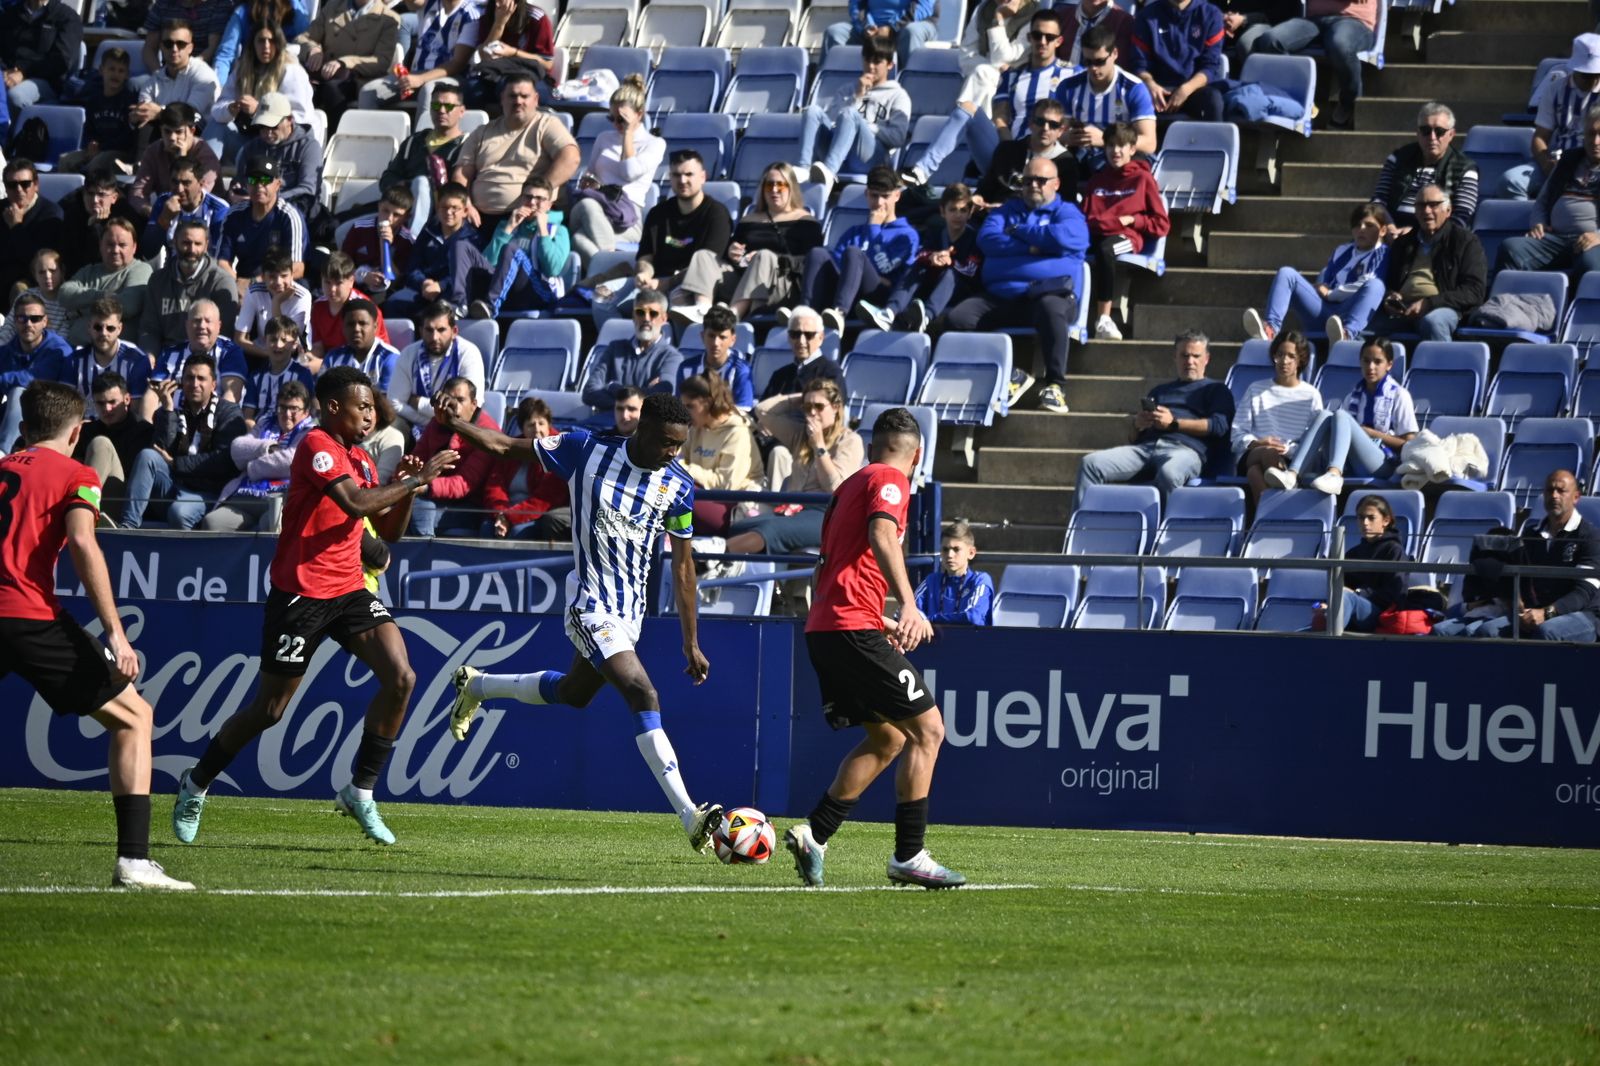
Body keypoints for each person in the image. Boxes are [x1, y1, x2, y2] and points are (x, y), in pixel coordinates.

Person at [170, 366, 460, 846]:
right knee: (269, 710)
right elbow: (354, 505)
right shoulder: (316, 446)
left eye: (371, 407)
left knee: (402, 677)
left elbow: (387, 532)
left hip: (349, 590)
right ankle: (197, 781)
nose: (369, 415)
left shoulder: (361, 459)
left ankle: (360, 790)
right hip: (301, 594)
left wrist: (409, 487)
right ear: (332, 408)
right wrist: (415, 480)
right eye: (361, 406)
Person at [443, 392, 726, 854]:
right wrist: (458, 423)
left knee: (573, 694)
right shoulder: (585, 449)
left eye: (681, 444)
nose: (675, 453)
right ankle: (690, 814)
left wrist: (690, 641)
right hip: (589, 601)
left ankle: (476, 686)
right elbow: (501, 446)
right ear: (645, 430)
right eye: (669, 443)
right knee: (643, 692)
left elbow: (683, 567)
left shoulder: (677, 485)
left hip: (630, 615)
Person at [0, 380, 192, 889]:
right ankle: (133, 861)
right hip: (27, 614)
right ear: (78, 430)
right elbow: (84, 543)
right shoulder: (77, 473)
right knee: (134, 717)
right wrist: (116, 633)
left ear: (23, 429)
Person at [784, 406, 965, 889]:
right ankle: (910, 854)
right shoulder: (890, 479)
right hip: (849, 627)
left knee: (889, 738)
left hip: (827, 627)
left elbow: (830, 566)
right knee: (929, 730)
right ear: (918, 455)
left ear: (869, 444)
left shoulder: (848, 486)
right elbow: (882, 533)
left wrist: (874, 614)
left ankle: (815, 835)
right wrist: (908, 604)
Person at [939, 156, 1088, 415]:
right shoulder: (1006, 210)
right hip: (1002, 295)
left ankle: (1055, 385)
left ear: (1056, 183)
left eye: (1041, 180)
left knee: (1052, 308)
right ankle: (1011, 375)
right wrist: (1037, 247)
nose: (1033, 186)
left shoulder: (1067, 212)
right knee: (957, 319)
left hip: (1049, 294)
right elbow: (987, 240)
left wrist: (1018, 230)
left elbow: (1065, 236)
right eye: (1027, 180)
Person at [696, 379, 865, 569]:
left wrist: (819, 446)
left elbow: (835, 487)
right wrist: (798, 398)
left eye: (818, 406)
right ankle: (768, 588)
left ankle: (712, 558)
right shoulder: (800, 435)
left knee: (769, 530)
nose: (812, 413)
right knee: (740, 528)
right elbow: (763, 411)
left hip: (827, 513)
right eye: (807, 407)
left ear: (836, 408)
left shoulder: (850, 440)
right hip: (795, 509)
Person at [1432, 469, 1599, 641]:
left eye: (1561, 491)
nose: (1554, 496)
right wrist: (1516, 602)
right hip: (1535, 611)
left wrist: (1548, 612)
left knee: (1546, 632)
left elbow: (1584, 592)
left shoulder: (1590, 536)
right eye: (1550, 490)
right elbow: (1523, 581)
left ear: (1576, 497)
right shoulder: (1531, 534)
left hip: (1583, 614)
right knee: (1484, 631)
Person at [893, 0, 1036, 188]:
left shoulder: (1034, 15)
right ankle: (922, 170)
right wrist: (992, 67)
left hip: (1015, 157)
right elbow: (966, 56)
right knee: (975, 90)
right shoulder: (984, 8)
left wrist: (999, 19)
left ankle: (934, 166)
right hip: (988, 95)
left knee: (980, 78)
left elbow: (1006, 57)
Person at [1076, 329, 1235, 499]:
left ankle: (1163, 525)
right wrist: (1138, 425)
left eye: (1196, 356)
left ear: (1206, 359)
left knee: (1170, 474)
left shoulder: (1216, 390)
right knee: (1090, 464)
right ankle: (1080, 525)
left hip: (1185, 451)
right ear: (1175, 357)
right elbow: (1133, 438)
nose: (1190, 361)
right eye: (1184, 355)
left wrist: (1174, 423)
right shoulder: (1160, 391)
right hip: (1145, 449)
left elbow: (1219, 426)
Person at [676, 162, 822, 322]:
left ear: (791, 187)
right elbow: (731, 253)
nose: (774, 190)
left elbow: (809, 263)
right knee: (704, 256)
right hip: (742, 278)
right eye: (768, 185)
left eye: (780, 185)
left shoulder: (806, 222)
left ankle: (731, 317)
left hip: (780, 285)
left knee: (764, 257)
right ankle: (702, 308)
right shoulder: (749, 220)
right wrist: (731, 252)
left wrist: (770, 260)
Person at [1273, 336, 1417, 496]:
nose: (1371, 367)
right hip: (1353, 462)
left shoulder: (1400, 395)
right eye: (1366, 361)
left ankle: (1334, 474)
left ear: (1389, 365)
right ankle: (1292, 474)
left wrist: (1373, 434)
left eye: (1378, 362)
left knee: (1340, 415)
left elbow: (1410, 445)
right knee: (1325, 415)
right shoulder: (1353, 396)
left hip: (1385, 463)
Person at [122, 352, 250, 529]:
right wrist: (167, 408)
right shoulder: (173, 412)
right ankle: (127, 527)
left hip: (209, 492)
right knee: (147, 456)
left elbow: (222, 461)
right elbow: (160, 449)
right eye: (189, 378)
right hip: (175, 485)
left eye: (201, 378)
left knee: (179, 512)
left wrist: (176, 464)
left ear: (213, 384)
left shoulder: (229, 413)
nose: (194, 384)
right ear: (182, 383)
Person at [1243, 202, 1390, 346]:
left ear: (1382, 231)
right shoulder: (1342, 250)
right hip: (1323, 312)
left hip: (1348, 313)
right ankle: (1270, 330)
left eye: (1369, 225)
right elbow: (1324, 283)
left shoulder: (1382, 253)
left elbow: (1366, 282)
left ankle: (1346, 335)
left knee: (1376, 285)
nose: (1362, 229)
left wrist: (1330, 294)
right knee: (1286, 273)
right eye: (1357, 225)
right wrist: (1323, 291)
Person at [452, 72, 580, 232]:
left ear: (536, 99)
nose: (518, 101)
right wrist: (465, 204)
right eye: (512, 96)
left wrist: (536, 193)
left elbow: (570, 158)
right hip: (476, 218)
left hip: (526, 220)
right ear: (502, 99)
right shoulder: (482, 132)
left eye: (524, 96)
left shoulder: (547, 125)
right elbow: (461, 174)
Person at [801, 166, 919, 337]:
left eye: (885, 196)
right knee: (818, 253)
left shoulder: (907, 235)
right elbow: (838, 264)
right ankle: (805, 315)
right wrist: (853, 271)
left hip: (877, 298)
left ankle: (839, 314)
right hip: (847, 290)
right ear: (866, 194)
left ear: (897, 195)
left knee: (854, 253)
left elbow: (885, 268)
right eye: (874, 195)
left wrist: (874, 228)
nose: (879, 202)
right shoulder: (855, 232)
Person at [1080, 121, 1170, 340]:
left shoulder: (1143, 179)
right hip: (1097, 232)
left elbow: (1161, 224)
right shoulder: (1097, 180)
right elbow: (1086, 218)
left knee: (1105, 249)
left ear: (1132, 149)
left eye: (1121, 146)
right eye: (1110, 145)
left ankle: (1104, 319)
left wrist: (1133, 220)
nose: (1115, 151)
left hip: (1126, 237)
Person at [858, 182, 983, 334]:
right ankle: (889, 312)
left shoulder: (975, 237)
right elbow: (920, 254)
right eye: (952, 210)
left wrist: (951, 263)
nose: (958, 215)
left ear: (970, 213)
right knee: (917, 267)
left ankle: (926, 317)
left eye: (963, 210)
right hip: (932, 285)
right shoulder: (936, 233)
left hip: (959, 291)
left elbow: (971, 270)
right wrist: (932, 257)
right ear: (943, 212)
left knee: (950, 274)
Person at [1367, 184, 1486, 342]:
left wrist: (1429, 303)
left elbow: (1474, 291)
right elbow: (1388, 281)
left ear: (1448, 211)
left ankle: (1440, 367)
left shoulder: (1465, 242)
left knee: (1433, 322)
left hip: (1443, 308)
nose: (1426, 211)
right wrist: (1389, 297)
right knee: (1362, 323)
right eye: (1421, 205)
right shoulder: (1403, 243)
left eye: (1433, 205)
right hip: (1402, 310)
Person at [568, 73, 663, 270]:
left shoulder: (654, 143)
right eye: (612, 118)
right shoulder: (604, 138)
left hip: (626, 217)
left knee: (579, 239)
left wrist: (627, 134)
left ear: (639, 114)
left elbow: (629, 172)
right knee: (586, 204)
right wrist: (589, 181)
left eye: (621, 119)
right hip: (596, 205)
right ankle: (613, 268)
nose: (615, 125)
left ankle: (604, 278)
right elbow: (591, 172)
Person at [1494, 103, 1600, 278]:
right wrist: (1538, 222)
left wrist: (1598, 236)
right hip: (1555, 240)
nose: (1595, 141)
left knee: (1592, 263)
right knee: (1510, 248)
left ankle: (1576, 303)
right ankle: (1505, 304)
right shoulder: (1569, 160)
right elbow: (1542, 201)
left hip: (1591, 242)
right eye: (1591, 134)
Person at [201, 376, 316, 531]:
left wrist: (252, 467)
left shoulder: (311, 431)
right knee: (212, 522)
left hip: (282, 498)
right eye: (282, 407)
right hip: (246, 494)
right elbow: (237, 449)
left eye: (293, 408)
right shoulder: (266, 423)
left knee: (271, 524)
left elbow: (291, 462)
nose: (287, 414)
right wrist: (269, 448)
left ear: (306, 412)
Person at [798, 35, 912, 190]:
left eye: (877, 62)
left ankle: (829, 172)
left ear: (890, 65)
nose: (871, 66)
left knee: (850, 114)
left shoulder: (898, 96)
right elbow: (831, 122)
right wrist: (856, 97)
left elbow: (898, 138)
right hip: (838, 152)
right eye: (867, 60)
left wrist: (866, 126)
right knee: (813, 111)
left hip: (872, 158)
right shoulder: (847, 89)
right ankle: (804, 169)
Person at [973, 9, 1073, 177]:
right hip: (1012, 150)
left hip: (1051, 155)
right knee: (967, 111)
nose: (1042, 42)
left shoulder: (1073, 74)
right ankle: (921, 172)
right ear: (1029, 37)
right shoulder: (1011, 75)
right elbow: (1000, 118)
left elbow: (1073, 119)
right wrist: (1012, 148)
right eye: (1037, 35)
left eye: (1049, 37)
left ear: (1059, 41)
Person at [1500, 33, 1600, 200]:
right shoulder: (1555, 90)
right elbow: (1540, 137)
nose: (1593, 79)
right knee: (1510, 181)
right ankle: (1535, 220)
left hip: (1596, 162)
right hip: (1560, 161)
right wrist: (1547, 164)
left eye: (1597, 73)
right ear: (1575, 68)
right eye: (1586, 74)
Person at [1229, 330, 1322, 508]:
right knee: (1268, 453)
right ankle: (1286, 500)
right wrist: (1257, 443)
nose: (1284, 361)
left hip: (1290, 460)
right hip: (1254, 452)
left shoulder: (1311, 395)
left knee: (1254, 473)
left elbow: (1314, 443)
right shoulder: (1255, 389)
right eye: (1280, 354)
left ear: (1300, 360)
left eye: (1291, 356)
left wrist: (1287, 449)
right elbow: (1237, 434)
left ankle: (1265, 518)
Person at [1247, 0, 1373, 129]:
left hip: (1354, 20)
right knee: (1271, 40)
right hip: (1313, 19)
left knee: (1340, 46)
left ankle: (1349, 104)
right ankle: (1301, 97)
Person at [1052, 24, 1159, 176]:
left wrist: (1106, 141)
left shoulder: (1133, 88)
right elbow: (1056, 133)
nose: (1093, 68)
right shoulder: (1069, 87)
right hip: (1081, 156)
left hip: (1119, 158)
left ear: (1114, 53)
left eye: (1099, 61)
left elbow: (1149, 143)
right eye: (1088, 62)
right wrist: (1067, 137)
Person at [407, 375, 506, 536]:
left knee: (421, 508)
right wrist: (407, 474)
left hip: (470, 507)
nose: (454, 406)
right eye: (450, 400)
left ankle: (423, 554)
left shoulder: (487, 433)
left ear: (474, 404)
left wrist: (424, 486)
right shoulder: (438, 421)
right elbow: (418, 458)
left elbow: (463, 485)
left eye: (460, 400)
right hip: (431, 496)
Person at [464, 176, 571, 320]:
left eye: (540, 199)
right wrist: (508, 228)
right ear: (520, 200)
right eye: (528, 197)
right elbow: (487, 264)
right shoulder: (506, 226)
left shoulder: (558, 230)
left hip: (540, 292)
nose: (532, 202)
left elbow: (552, 269)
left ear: (549, 205)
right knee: (462, 246)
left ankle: (490, 306)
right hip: (508, 292)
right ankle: (459, 306)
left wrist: (543, 231)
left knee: (511, 249)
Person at [208, 23, 313, 161]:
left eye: (271, 41)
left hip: (280, 149)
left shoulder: (291, 71)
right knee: (216, 126)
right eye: (261, 41)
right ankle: (200, 175)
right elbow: (217, 108)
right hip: (250, 143)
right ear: (253, 44)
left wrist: (259, 110)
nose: (266, 46)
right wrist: (230, 108)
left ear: (279, 43)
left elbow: (300, 119)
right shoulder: (243, 68)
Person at [1370, 102, 1480, 234]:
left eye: (1439, 132)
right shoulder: (1397, 158)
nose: (1432, 137)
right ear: (1418, 133)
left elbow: (1462, 216)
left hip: (1436, 239)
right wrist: (1388, 227)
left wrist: (1415, 234)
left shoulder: (1465, 168)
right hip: (1390, 231)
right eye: (1426, 131)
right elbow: (1378, 201)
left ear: (1451, 135)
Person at [378, 79, 468, 236]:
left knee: (421, 183)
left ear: (461, 111)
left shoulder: (467, 145)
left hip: (441, 214)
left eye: (448, 106)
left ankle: (413, 240)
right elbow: (387, 178)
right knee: (342, 230)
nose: (441, 110)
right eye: (435, 105)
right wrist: (405, 187)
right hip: (399, 210)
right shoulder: (414, 140)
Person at [679, 372, 764, 539]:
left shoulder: (737, 432)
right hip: (702, 498)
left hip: (731, 509)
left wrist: (686, 469)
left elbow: (727, 485)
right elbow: (681, 462)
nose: (685, 412)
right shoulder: (696, 428)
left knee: (676, 488)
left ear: (708, 403)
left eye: (690, 406)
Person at [358, 0, 480, 114]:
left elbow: (458, 63)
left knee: (430, 91)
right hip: (417, 74)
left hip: (452, 77)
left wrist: (420, 79)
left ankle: (422, 136)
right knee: (369, 92)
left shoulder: (471, 15)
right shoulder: (429, 3)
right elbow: (414, 2)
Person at [297, 0, 402, 126]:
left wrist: (344, 62)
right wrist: (313, 50)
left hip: (358, 77)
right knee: (300, 84)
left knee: (333, 90)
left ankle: (333, 135)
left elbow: (381, 61)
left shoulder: (389, 18)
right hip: (323, 71)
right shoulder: (332, 6)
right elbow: (304, 37)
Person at [384, 181, 478, 318]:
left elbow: (469, 275)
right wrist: (423, 282)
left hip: (451, 294)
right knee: (394, 302)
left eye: (454, 208)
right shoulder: (429, 231)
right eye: (444, 207)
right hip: (422, 289)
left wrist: (441, 285)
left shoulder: (472, 238)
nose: (448, 212)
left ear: (465, 211)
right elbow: (413, 265)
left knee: (441, 312)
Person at [390, 300, 486, 434]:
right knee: (392, 426)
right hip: (415, 426)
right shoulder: (408, 353)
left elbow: (470, 407)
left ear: (454, 331)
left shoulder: (469, 353)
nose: (434, 337)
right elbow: (394, 403)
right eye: (429, 330)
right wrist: (432, 424)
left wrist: (418, 403)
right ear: (421, 331)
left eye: (441, 330)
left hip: (457, 428)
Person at [484, 394, 570, 540]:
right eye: (531, 425)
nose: (537, 429)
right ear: (522, 428)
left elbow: (545, 499)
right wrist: (500, 513)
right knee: (486, 528)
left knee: (518, 532)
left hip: (535, 515)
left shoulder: (558, 452)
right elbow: (494, 485)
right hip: (505, 511)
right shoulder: (510, 448)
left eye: (541, 423)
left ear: (549, 425)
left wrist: (509, 517)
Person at [579, 290, 683, 410]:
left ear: (664, 319)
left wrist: (612, 387)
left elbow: (662, 397)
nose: (646, 318)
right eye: (640, 312)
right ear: (633, 316)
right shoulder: (615, 348)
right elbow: (589, 392)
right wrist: (639, 397)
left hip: (644, 426)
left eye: (653, 313)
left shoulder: (672, 357)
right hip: (605, 422)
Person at [76, 371, 155, 524]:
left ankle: (81, 510)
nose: (107, 408)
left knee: (101, 444)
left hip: (125, 503)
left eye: (113, 402)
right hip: (94, 496)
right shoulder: (87, 430)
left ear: (127, 399)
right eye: (100, 403)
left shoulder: (144, 431)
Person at [59, 219, 153, 348]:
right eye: (110, 244)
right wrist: (103, 295)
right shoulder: (89, 271)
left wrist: (82, 308)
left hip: (117, 355)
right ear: (100, 246)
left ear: (134, 247)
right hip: (77, 349)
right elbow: (64, 295)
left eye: (122, 245)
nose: (115, 250)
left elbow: (128, 306)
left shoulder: (140, 270)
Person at [231, 92, 324, 222]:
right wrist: (236, 193)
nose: (268, 132)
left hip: (297, 212)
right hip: (255, 209)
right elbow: (240, 181)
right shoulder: (251, 148)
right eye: (262, 126)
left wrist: (268, 198)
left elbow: (307, 190)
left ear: (290, 120)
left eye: (273, 126)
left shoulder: (309, 147)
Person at [1130, 0, 1225, 122]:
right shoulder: (1146, 16)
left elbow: (1210, 66)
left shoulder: (1210, 14)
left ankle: (1215, 141)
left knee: (1213, 100)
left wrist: (1186, 89)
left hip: (1194, 89)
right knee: (1136, 98)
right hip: (1158, 89)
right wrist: (1150, 84)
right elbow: (1139, 65)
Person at [0, 291, 72, 453]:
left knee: (20, 392)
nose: (28, 324)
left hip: (54, 418)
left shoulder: (59, 350)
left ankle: (3, 454)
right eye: (22, 318)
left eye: (35, 319)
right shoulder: (7, 351)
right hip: (20, 417)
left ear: (45, 321)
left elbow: (30, 381)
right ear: (15, 321)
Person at [218, 157, 307, 286]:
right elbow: (222, 262)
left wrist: (254, 284)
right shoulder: (234, 215)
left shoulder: (289, 216)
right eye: (253, 180)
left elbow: (298, 267)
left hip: (276, 285)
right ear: (246, 184)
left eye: (266, 180)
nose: (259, 185)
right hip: (240, 282)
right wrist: (236, 285)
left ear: (277, 184)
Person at [974, 98, 1076, 209]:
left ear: (1061, 131)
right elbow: (987, 188)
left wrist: (1007, 209)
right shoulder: (1007, 150)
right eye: (1040, 122)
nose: (1045, 128)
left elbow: (1064, 205)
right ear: (1031, 124)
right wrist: (978, 198)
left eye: (1053, 125)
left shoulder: (1066, 162)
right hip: (994, 215)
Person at [128, 103, 222, 217]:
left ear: (192, 131)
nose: (172, 138)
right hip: (165, 213)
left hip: (205, 216)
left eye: (179, 132)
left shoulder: (205, 156)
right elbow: (138, 193)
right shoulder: (154, 151)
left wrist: (181, 159)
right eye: (167, 131)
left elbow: (195, 197)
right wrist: (152, 212)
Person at [58, 46, 140, 176]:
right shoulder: (94, 99)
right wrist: (91, 144)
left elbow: (128, 137)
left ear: (127, 75)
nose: (116, 74)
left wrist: (101, 148)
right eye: (111, 69)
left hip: (120, 153)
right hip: (96, 150)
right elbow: (89, 129)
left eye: (121, 71)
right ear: (101, 70)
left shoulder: (129, 100)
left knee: (97, 163)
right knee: (65, 160)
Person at [152, 299, 250, 407]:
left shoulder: (230, 352)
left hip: (216, 419)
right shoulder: (170, 353)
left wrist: (214, 421)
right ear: (187, 325)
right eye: (196, 320)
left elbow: (232, 394)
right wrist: (147, 423)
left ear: (219, 326)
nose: (202, 326)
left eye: (208, 321)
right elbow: (152, 394)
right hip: (172, 419)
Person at [131, 20, 222, 136]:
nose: (174, 49)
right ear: (161, 47)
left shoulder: (204, 76)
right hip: (163, 135)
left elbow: (190, 115)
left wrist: (160, 113)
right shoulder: (154, 80)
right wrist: (138, 115)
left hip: (197, 137)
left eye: (181, 44)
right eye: (168, 43)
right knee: (145, 125)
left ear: (190, 48)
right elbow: (145, 112)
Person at [57, 297, 150, 411]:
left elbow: (137, 411)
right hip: (84, 425)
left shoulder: (137, 360)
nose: (103, 333)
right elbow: (64, 407)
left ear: (119, 329)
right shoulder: (74, 360)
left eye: (110, 328)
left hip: (122, 427)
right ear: (89, 327)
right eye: (98, 327)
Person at [1334, 494, 1409, 633]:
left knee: (1344, 598)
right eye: (1361, 518)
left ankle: (1328, 640)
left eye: (1371, 518)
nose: (1365, 523)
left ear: (1385, 521)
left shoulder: (1394, 550)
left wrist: (1358, 593)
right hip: (1349, 609)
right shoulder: (1354, 553)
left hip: (1382, 614)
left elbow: (1394, 594)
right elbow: (1342, 584)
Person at [140, 155, 232, 261]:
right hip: (171, 271)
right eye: (175, 182)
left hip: (206, 272)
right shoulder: (163, 202)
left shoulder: (218, 209)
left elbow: (220, 258)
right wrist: (164, 219)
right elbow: (147, 252)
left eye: (186, 183)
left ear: (201, 183)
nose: (179, 189)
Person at [468, 0, 556, 111]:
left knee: (509, 89)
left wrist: (514, 53)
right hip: (497, 74)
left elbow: (547, 63)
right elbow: (484, 55)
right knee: (470, 89)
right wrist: (499, 23)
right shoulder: (488, 15)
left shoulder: (536, 18)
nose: (498, 3)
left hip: (532, 76)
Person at [0, 0, 82, 113]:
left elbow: (61, 60)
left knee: (15, 96)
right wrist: (4, 72)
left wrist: (23, 72)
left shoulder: (68, 18)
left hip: (47, 82)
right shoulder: (10, 15)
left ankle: (12, 130)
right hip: (7, 75)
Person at [339, 187, 417, 304]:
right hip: (354, 283)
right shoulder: (359, 229)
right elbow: (342, 266)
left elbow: (397, 279)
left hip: (385, 291)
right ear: (379, 206)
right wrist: (363, 276)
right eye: (385, 210)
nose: (389, 218)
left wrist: (384, 245)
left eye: (396, 215)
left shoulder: (407, 240)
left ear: (406, 217)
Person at [58, 173, 143, 279]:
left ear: (114, 197)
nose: (95, 200)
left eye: (101, 195)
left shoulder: (127, 216)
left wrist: (98, 227)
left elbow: (136, 254)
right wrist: (93, 228)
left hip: (121, 274)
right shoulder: (72, 215)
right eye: (90, 194)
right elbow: (71, 260)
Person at [1, 158, 65, 297]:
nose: (19, 189)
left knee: (20, 289)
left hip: (30, 279)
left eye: (25, 184)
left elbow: (38, 261)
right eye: (12, 185)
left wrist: (16, 227)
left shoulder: (50, 214)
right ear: (5, 188)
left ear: (36, 185)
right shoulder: (2, 208)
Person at [311, 252, 392, 361]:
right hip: (331, 365)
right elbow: (318, 347)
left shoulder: (365, 311)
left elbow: (366, 355)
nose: (332, 289)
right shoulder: (318, 307)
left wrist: (322, 365)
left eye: (338, 283)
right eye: (327, 282)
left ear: (351, 281)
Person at [913, 518, 995, 625]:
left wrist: (928, 620)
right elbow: (908, 611)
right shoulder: (931, 580)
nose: (950, 555)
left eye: (956, 549)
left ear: (971, 553)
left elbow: (973, 617)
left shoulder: (980, 580)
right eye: (945, 549)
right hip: (937, 641)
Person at [241, 314, 316, 426]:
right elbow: (248, 416)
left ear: (294, 344)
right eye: (273, 339)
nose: (278, 345)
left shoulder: (302, 374)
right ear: (265, 341)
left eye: (284, 340)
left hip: (293, 432)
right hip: (261, 434)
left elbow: (311, 410)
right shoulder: (256, 377)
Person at [675, 306, 755, 409]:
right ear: (702, 336)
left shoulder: (741, 370)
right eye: (711, 336)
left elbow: (744, 413)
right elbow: (679, 409)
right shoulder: (686, 368)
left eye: (722, 337)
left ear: (732, 340)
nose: (716, 343)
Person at [762, 306, 845, 400]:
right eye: (795, 334)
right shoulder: (779, 376)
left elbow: (834, 409)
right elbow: (758, 412)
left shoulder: (831, 372)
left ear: (821, 337)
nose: (801, 341)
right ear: (789, 337)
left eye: (809, 335)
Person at [822, 0, 938, 67]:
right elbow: (856, 6)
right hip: (871, 29)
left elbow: (923, 8)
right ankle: (828, 95)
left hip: (911, 25)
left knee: (911, 32)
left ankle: (913, 91)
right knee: (835, 32)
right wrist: (867, 26)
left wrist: (892, 28)